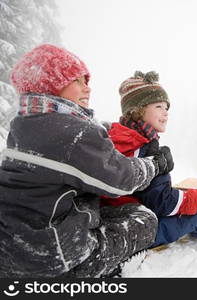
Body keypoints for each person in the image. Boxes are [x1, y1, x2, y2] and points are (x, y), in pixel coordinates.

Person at [0, 44, 174, 277]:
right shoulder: (74, 132)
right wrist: (155, 165)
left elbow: (59, 161)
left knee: (96, 209)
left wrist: (99, 133)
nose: (88, 89)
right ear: (53, 84)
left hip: (12, 247)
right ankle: (105, 272)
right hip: (52, 258)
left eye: (87, 82)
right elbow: (121, 180)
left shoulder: (22, 124)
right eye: (78, 81)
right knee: (143, 218)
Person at [101, 70, 197, 248]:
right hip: (137, 227)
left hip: (113, 214)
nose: (166, 113)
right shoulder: (144, 148)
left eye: (166, 107)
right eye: (158, 107)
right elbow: (164, 205)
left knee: (173, 193)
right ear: (137, 110)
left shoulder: (114, 137)